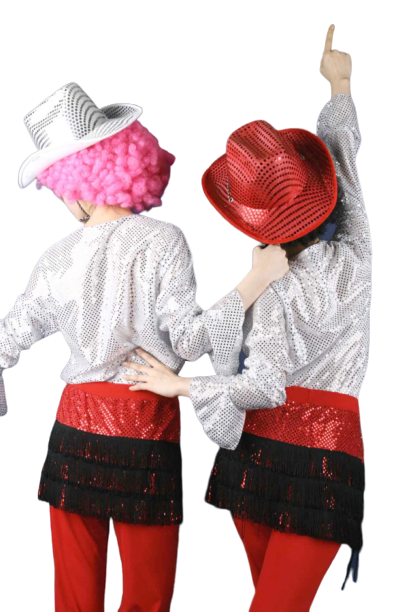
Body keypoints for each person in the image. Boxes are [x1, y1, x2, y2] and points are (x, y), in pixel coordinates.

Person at [0, 81, 290, 612]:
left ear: (75, 181)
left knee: (74, 596)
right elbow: (191, 341)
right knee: (149, 596)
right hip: (145, 423)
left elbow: (8, 336)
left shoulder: (56, 257)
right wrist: (252, 284)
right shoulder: (164, 240)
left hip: (72, 429)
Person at [120, 24, 370, 611]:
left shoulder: (269, 289)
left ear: (251, 222)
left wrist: (178, 386)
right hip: (319, 454)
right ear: (323, 194)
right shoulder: (357, 252)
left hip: (271, 453)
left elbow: (262, 386)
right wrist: (340, 87)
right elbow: (344, 161)